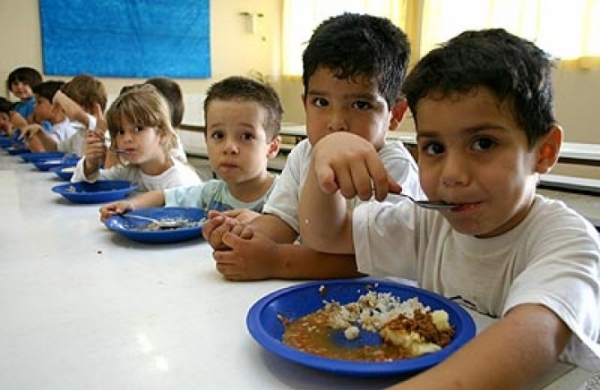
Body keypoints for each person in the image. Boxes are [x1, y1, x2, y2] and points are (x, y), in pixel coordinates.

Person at [297, 28, 600, 389]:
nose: (453, 175)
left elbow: (533, 337)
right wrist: (324, 159)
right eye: (435, 148)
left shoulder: (565, 240)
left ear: (544, 151)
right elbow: (325, 234)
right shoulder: (429, 220)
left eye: (483, 143)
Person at [202, 13, 422, 281]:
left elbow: (370, 259)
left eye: (361, 105)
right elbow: (282, 220)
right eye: (321, 103)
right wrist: (241, 239)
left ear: (395, 114)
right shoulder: (304, 152)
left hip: (379, 300)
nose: (336, 123)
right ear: (306, 103)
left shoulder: (393, 167)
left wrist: (275, 261)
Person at [98, 76, 282, 221]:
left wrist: (262, 225)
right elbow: (162, 196)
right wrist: (130, 206)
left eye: (246, 136)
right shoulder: (210, 193)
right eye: (218, 135)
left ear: (272, 147)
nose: (229, 148)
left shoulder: (285, 194)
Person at [71, 84, 201, 190]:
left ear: (162, 133)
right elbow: (79, 187)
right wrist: (90, 165)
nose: (127, 138)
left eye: (138, 129)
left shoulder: (179, 182)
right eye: (120, 132)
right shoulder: (130, 172)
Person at [52, 74, 108, 157]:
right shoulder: (80, 132)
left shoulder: (96, 124)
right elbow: (54, 148)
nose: (65, 110)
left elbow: (76, 113)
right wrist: (40, 133)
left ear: (92, 106)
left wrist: (58, 96)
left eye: (71, 104)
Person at [19, 81, 78, 153]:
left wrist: (21, 124)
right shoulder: (56, 127)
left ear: (56, 107)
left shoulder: (64, 131)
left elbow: (41, 152)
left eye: (39, 102)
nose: (34, 106)